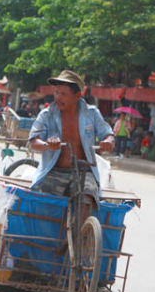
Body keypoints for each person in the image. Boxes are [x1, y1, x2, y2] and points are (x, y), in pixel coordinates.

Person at [28, 70, 114, 213]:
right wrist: (47, 145)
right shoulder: (47, 114)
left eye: (63, 94)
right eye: (56, 92)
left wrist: (108, 141)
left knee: (87, 201)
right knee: (44, 203)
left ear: (77, 96)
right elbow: (33, 141)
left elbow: (108, 134)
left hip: (84, 172)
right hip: (54, 171)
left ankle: (83, 234)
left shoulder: (92, 113)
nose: (58, 97)